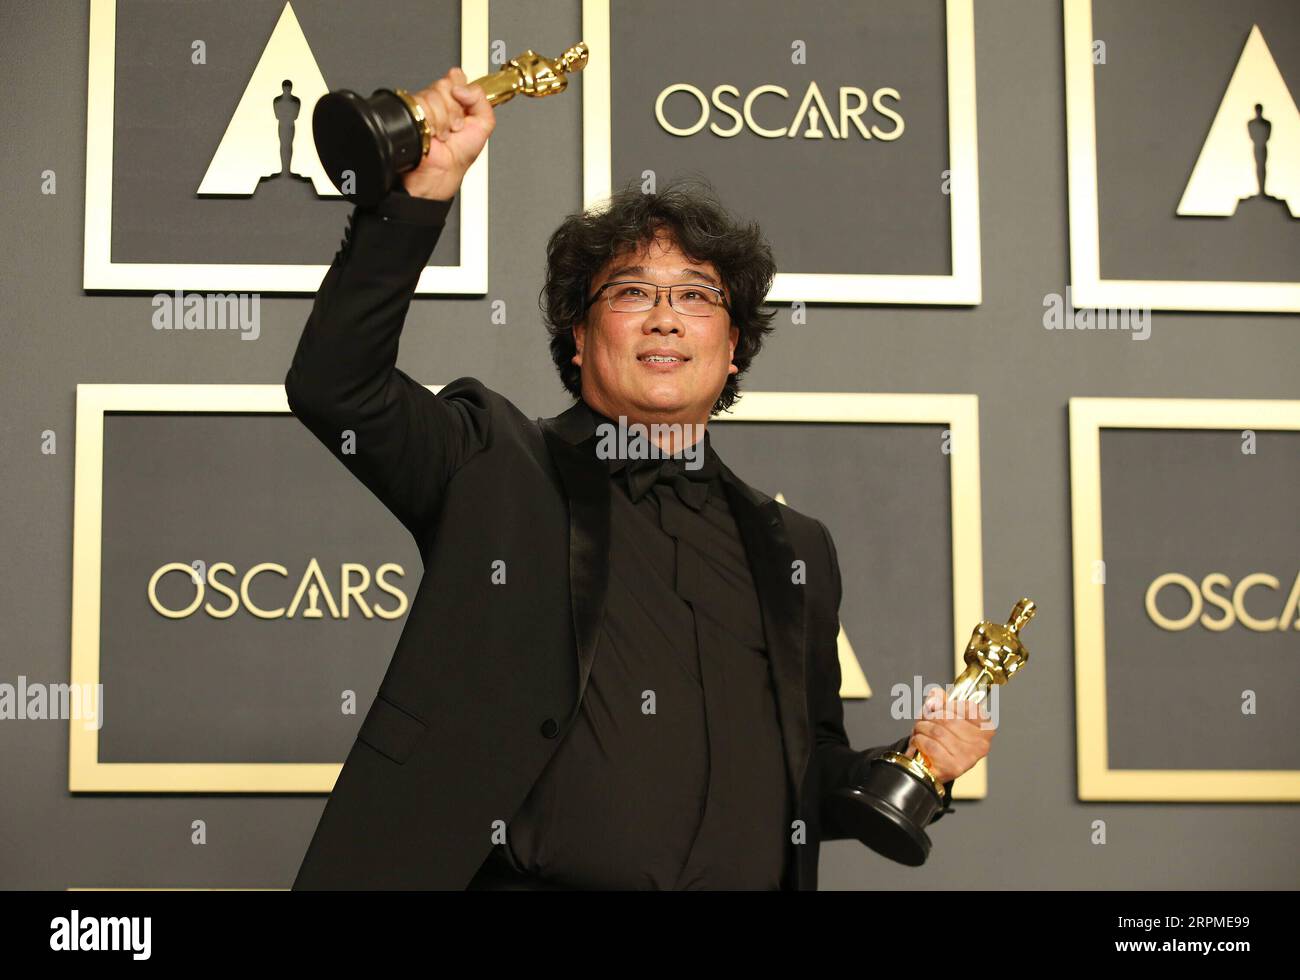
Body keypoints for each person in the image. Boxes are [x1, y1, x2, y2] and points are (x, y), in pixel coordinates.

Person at [286, 67, 994, 890]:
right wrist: (421, 196)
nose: (665, 314)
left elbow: (800, 779)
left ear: (734, 348)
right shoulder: (492, 462)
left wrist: (918, 768)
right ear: (579, 339)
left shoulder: (796, 547)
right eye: (630, 291)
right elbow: (336, 386)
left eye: (697, 295)